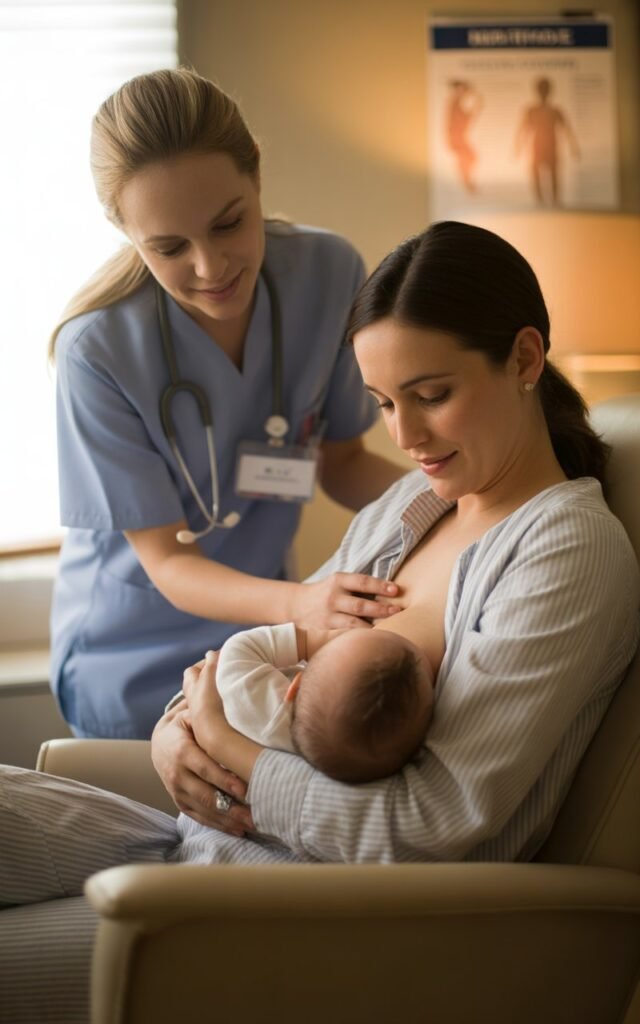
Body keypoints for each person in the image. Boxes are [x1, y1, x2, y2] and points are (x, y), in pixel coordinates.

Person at [1, 221, 638, 1023]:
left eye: (432, 396)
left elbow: (436, 823)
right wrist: (175, 735)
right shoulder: (411, 506)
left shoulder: (566, 551)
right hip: (201, 844)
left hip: (301, 906)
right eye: (384, 403)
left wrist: (235, 755)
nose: (404, 437)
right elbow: (262, 661)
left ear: (523, 359)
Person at [48, 67, 407, 741]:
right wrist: (303, 604)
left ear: (257, 177)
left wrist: (461, 500)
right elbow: (168, 561)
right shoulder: (95, 351)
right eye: (169, 247)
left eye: (229, 223)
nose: (211, 267)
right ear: (123, 229)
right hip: (129, 657)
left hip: (260, 645)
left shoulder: (328, 275)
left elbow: (343, 464)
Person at [182, 621, 434, 784]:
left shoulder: (259, 703)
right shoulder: (337, 761)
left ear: (295, 686)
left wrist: (311, 640)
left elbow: (236, 651)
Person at [514, 76, 580, 206]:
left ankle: (554, 201)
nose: (543, 92)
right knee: (536, 173)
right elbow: (523, 130)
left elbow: (567, 129)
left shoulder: (556, 110)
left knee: (553, 174)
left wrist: (574, 147)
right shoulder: (531, 110)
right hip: (537, 145)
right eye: (541, 89)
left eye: (545, 89)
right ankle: (540, 202)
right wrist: (518, 147)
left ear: (549, 91)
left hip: (551, 145)